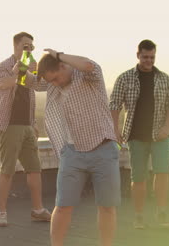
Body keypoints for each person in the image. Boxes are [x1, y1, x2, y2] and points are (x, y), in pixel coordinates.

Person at [35, 49, 120, 246]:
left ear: (64, 65)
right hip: (72, 153)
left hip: (103, 149)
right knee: (62, 206)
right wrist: (22, 66)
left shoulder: (89, 75)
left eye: (56, 78)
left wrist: (59, 54)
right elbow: (27, 81)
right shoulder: (54, 84)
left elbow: (88, 65)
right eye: (51, 81)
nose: (54, 84)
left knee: (107, 207)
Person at [109, 39, 169, 229]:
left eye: (152, 57)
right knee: (138, 178)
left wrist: (167, 128)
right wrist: (115, 130)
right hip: (135, 136)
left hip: (159, 136)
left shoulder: (164, 78)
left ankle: (162, 213)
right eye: (145, 57)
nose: (149, 60)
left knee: (162, 173)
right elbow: (114, 105)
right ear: (138, 54)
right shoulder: (125, 78)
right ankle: (139, 216)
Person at [0, 32, 51, 226]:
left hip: (27, 124)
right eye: (26, 46)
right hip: (9, 124)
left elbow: (39, 87)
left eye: (31, 47)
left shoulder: (31, 67)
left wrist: (43, 71)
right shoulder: (4, 66)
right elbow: (3, 84)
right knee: (7, 169)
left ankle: (38, 209)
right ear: (16, 46)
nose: (29, 49)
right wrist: (19, 70)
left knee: (34, 169)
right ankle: (1, 212)